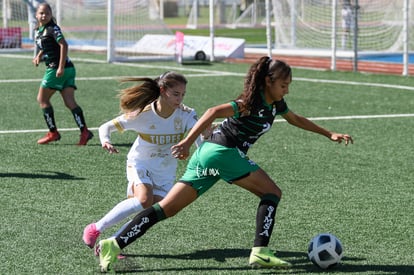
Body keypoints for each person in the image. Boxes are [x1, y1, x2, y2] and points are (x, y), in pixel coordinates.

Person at [96, 57, 354, 272]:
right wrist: (186, 142)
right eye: (284, 84)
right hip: (222, 153)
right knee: (272, 193)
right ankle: (261, 251)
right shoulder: (249, 103)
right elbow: (211, 112)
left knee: (166, 209)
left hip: (208, 156)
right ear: (268, 81)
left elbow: (295, 118)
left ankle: (114, 244)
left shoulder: (275, 103)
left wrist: (328, 133)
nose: (287, 89)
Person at [83, 72, 208, 254]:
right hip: (140, 163)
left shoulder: (187, 115)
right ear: (162, 91)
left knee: (150, 212)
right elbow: (106, 127)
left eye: (183, 94)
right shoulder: (142, 114)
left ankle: (113, 244)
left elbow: (200, 143)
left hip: (165, 171)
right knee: (144, 199)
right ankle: (95, 228)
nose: (180, 99)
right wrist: (105, 140)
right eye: (175, 94)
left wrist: (202, 146)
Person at [32, 3, 93, 145]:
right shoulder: (39, 30)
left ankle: (53, 133)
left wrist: (60, 67)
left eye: (47, 13)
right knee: (69, 102)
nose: (44, 15)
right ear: (36, 15)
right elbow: (47, 45)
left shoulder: (53, 28)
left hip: (57, 69)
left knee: (42, 100)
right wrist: (39, 56)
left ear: (51, 15)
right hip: (69, 69)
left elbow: (63, 45)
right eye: (41, 13)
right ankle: (84, 132)